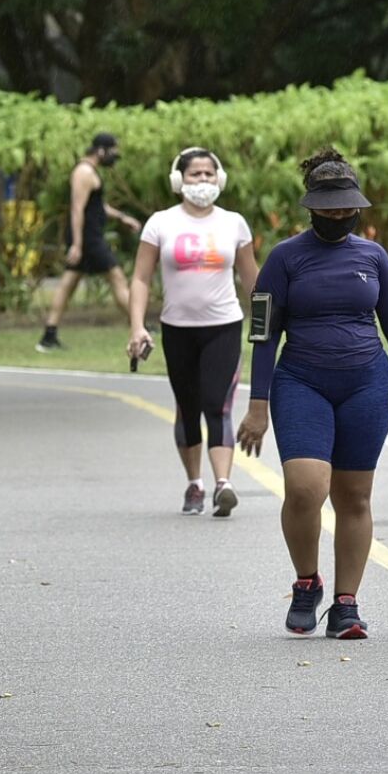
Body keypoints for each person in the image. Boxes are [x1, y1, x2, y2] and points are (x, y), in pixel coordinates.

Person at [236, 147, 388, 640]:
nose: (337, 217)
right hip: (301, 382)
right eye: (327, 210)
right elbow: (264, 332)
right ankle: (307, 581)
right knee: (306, 488)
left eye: (345, 209)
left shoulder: (373, 257)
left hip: (367, 384)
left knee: (354, 497)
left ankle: (346, 604)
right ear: (310, 207)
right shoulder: (284, 259)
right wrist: (258, 403)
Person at [127, 147, 259, 516]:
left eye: (208, 174)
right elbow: (140, 278)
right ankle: (194, 483)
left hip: (224, 326)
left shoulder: (234, 223)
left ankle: (223, 484)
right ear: (177, 181)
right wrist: (137, 326)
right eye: (194, 175)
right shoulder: (160, 223)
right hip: (177, 329)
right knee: (188, 408)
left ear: (220, 179)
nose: (202, 181)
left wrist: (270, 323)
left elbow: (252, 282)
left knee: (218, 404)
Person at [36, 133, 142, 352]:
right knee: (117, 278)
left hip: (88, 237)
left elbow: (97, 206)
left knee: (68, 285)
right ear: (101, 151)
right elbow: (77, 209)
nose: (114, 158)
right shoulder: (83, 172)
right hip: (88, 239)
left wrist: (123, 218)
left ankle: (49, 335)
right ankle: (139, 325)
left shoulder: (90, 172)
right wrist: (77, 244)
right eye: (112, 152)